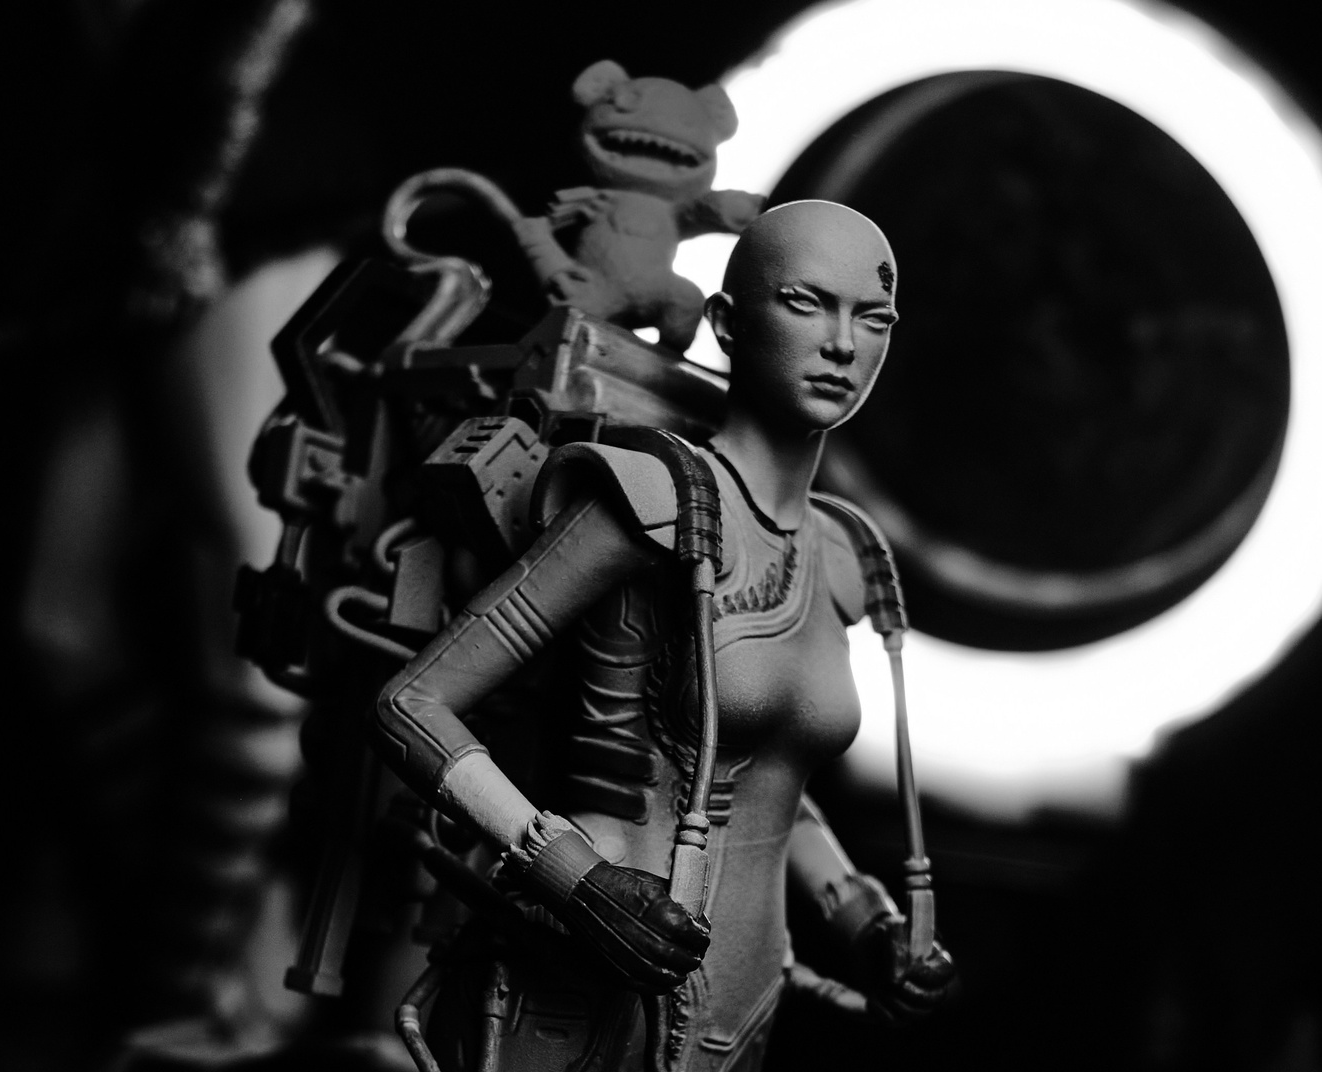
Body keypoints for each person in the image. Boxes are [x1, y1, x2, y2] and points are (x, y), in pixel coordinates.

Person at [372, 200, 957, 1072]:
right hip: (585, 987)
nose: (841, 343)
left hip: (745, 1006)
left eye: (872, 318)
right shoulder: (652, 500)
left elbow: (763, 785)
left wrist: (862, 919)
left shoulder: (841, 553)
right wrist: (575, 881)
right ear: (726, 324)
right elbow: (412, 703)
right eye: (806, 304)